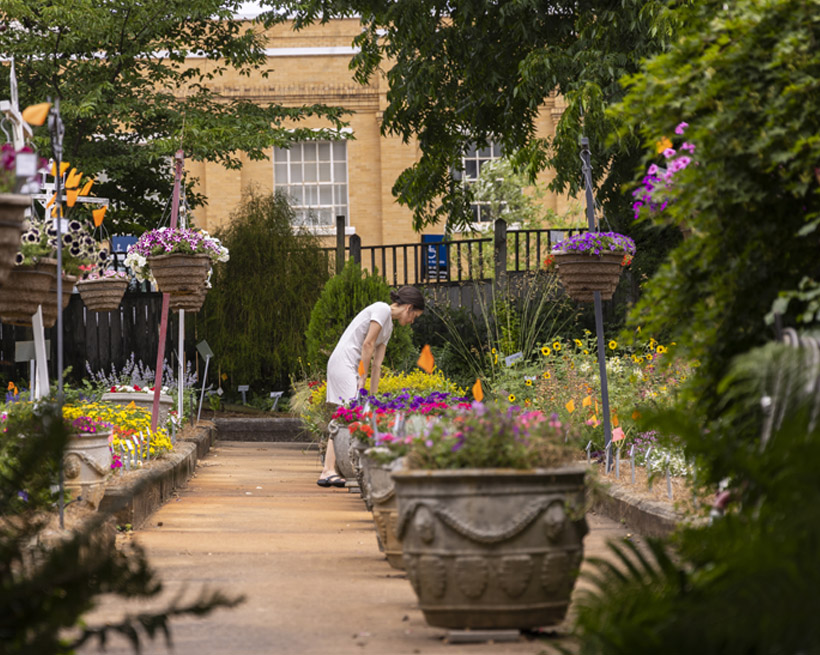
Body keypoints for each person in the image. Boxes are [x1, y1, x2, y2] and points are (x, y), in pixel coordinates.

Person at [317, 286, 425, 487]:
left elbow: (377, 364)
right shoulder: (381, 309)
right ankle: (328, 469)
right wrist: (361, 378)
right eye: (414, 316)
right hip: (345, 363)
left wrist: (372, 398)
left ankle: (330, 469)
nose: (412, 321)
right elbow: (367, 344)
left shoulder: (389, 327)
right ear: (409, 307)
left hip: (353, 367)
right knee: (347, 413)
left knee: (349, 413)